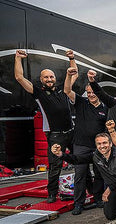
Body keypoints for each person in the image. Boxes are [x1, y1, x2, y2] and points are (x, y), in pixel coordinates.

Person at [14, 49, 75, 203]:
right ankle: (52, 194)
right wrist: (18, 58)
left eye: (51, 76)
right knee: (55, 166)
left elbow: (74, 74)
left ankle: (89, 188)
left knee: (80, 160)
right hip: (55, 134)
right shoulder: (38, 93)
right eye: (46, 77)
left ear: (55, 78)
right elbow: (19, 77)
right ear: (41, 80)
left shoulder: (64, 89)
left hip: (72, 132)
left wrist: (72, 59)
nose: (49, 79)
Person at [50, 133, 116, 224]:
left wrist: (109, 189)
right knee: (110, 215)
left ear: (110, 144)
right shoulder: (96, 155)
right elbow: (77, 159)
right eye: (99, 144)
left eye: (104, 143)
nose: (102, 146)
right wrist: (60, 154)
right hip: (114, 188)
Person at [64, 68, 107, 215]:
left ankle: (98, 198)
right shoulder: (81, 102)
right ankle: (78, 203)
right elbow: (67, 90)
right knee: (80, 174)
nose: (91, 95)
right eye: (88, 93)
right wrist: (69, 76)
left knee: (99, 173)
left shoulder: (105, 108)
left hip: (98, 147)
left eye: (93, 92)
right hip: (81, 145)